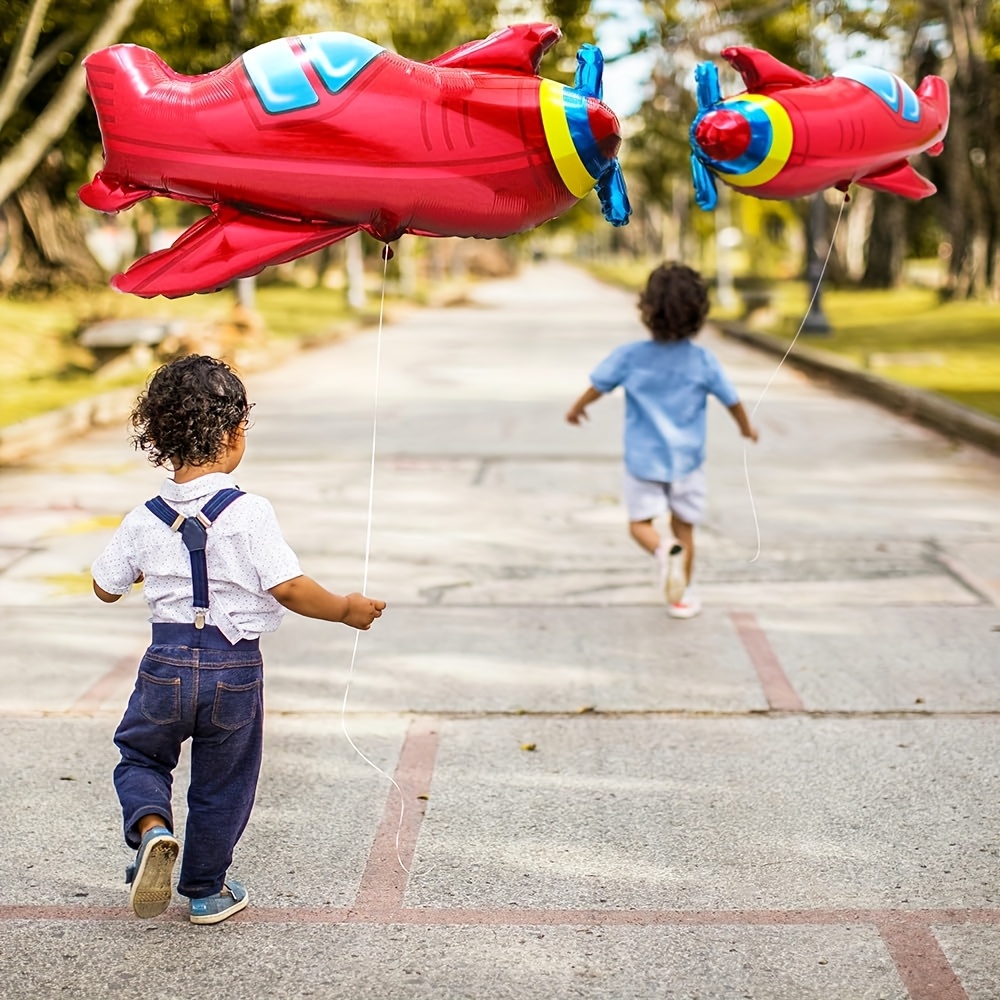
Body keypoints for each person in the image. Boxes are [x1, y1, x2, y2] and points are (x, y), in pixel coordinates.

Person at [91, 354, 385, 924]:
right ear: (231, 434)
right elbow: (289, 587)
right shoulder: (249, 512)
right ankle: (205, 890)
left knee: (140, 756)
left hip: (165, 664)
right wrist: (345, 609)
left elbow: (105, 588)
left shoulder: (143, 518)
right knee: (224, 783)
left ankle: (152, 829)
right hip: (234, 668)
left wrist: (148, 569)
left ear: (159, 437)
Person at [566, 263, 757, 619]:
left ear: (646, 308)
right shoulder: (702, 360)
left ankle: (661, 549)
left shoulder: (630, 356)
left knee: (640, 525)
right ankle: (683, 597)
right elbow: (732, 400)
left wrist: (577, 408)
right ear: (699, 312)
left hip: (644, 462)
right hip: (687, 462)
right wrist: (747, 428)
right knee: (685, 529)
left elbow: (598, 386)